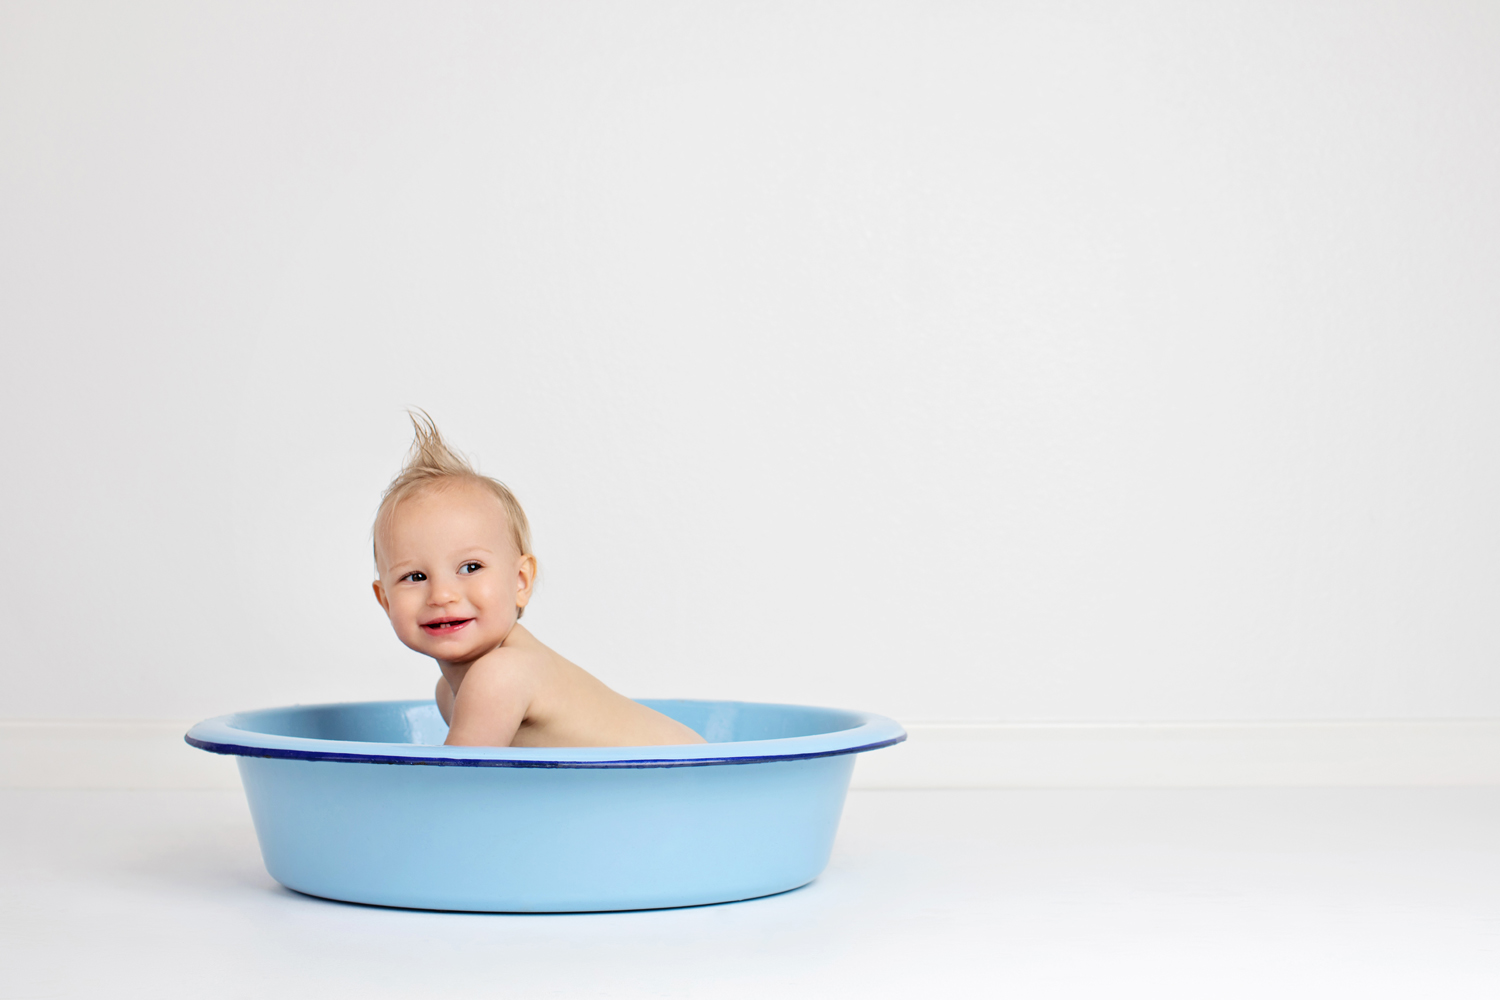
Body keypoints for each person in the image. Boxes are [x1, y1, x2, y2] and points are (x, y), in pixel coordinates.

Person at [371, 412, 705, 748]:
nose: (442, 594)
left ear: (520, 581)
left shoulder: (498, 676)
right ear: (385, 601)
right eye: (415, 576)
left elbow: (451, 791)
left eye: (470, 567)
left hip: (685, 780)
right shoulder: (450, 693)